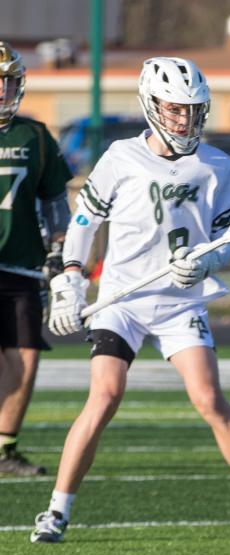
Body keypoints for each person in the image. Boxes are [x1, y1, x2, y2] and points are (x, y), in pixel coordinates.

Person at [29, 56, 230, 544]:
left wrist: (205, 264)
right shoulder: (121, 157)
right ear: (152, 105)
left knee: (209, 399)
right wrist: (70, 279)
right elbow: (84, 222)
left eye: (192, 110)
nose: (184, 119)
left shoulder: (216, 166)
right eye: (175, 109)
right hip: (122, 300)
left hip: (180, 301)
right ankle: (57, 509)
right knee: (106, 395)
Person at [0, 42, 72, 477]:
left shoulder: (34, 136)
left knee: (26, 356)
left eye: (7, 83)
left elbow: (55, 202)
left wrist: (60, 249)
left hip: (23, 263)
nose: (2, 92)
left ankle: (5, 448)